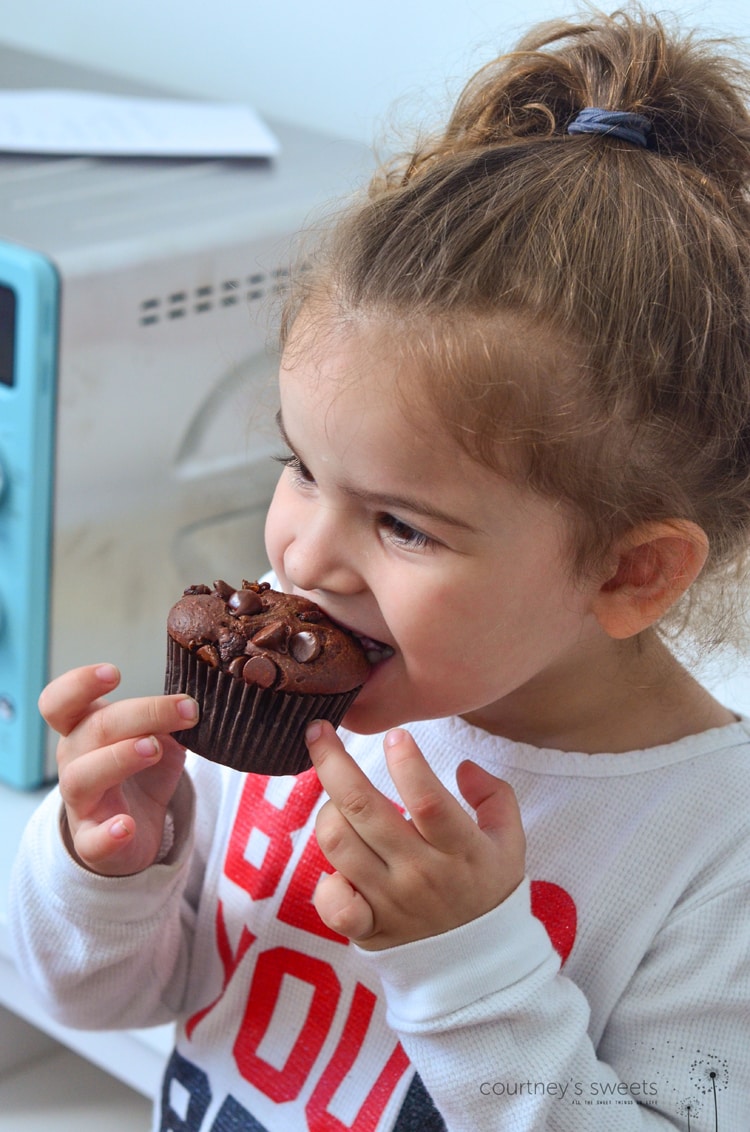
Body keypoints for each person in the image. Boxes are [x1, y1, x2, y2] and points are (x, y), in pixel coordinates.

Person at [9, 6, 750, 1129]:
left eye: (403, 525)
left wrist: (472, 970)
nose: (301, 556)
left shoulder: (709, 856)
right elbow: (96, 992)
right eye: (299, 466)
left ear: (629, 572)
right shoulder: (268, 722)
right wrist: (103, 862)